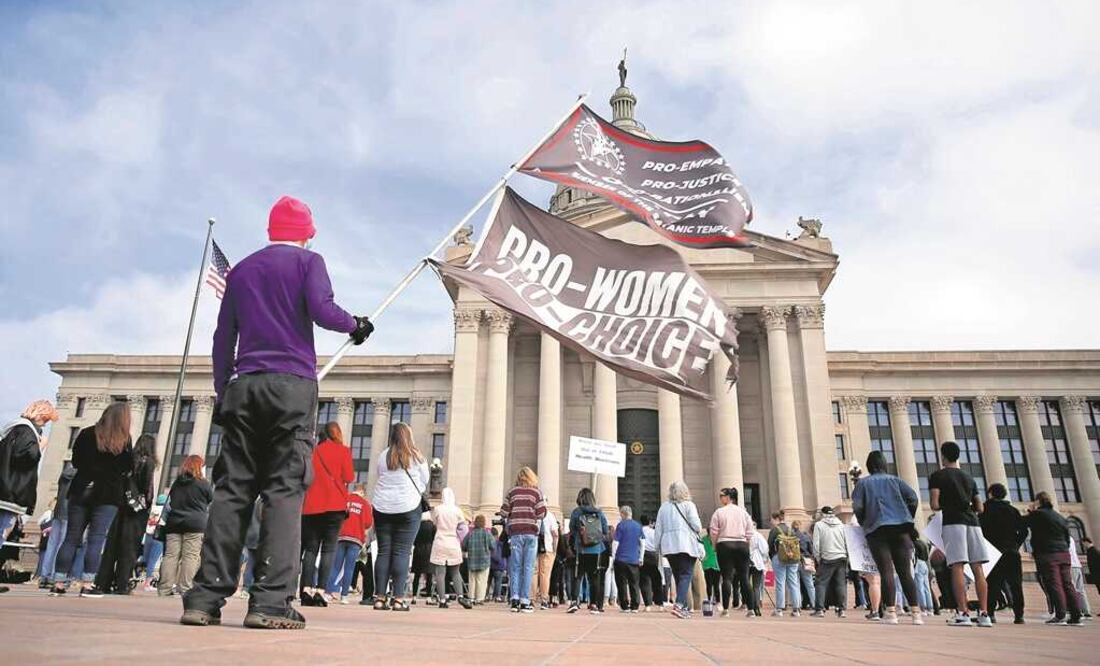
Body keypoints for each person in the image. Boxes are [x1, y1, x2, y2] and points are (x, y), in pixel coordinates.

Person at [181, 195, 373, 630]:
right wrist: (356, 325)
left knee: (232, 493)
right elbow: (323, 310)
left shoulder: (244, 269)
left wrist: (222, 389)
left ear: (271, 231)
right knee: (285, 491)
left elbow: (222, 335)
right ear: (305, 232)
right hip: (291, 386)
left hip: (244, 386)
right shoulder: (309, 262)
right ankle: (269, 602)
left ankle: (205, 598)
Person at [51, 402, 133, 597]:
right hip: (108, 495)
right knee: (96, 539)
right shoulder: (124, 440)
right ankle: (87, 584)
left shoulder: (87, 433)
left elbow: (76, 461)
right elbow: (127, 468)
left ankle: (58, 583)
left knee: (71, 537)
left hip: (82, 490)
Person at [851, 450, 920, 625]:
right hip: (901, 529)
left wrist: (864, 521)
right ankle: (916, 613)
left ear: (869, 466)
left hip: (877, 529)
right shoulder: (896, 480)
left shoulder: (863, 484)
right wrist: (907, 516)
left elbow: (858, 507)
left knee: (886, 571)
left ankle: (891, 612)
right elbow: (913, 498)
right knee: (905, 572)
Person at [929, 441, 991, 628]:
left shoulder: (938, 476)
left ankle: (963, 612)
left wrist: (949, 503)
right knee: (978, 568)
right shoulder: (969, 478)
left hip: (953, 522)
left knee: (957, 566)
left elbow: (934, 504)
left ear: (943, 456)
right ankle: (984, 613)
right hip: (973, 523)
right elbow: (980, 507)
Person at [370, 422, 429, 611]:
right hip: (408, 507)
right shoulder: (417, 455)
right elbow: (425, 479)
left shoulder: (383, 455)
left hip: (382, 507)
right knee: (402, 552)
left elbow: (379, 474)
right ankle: (398, 599)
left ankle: (379, 597)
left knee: (384, 551)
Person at [90, 433, 157, 595]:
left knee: (111, 546)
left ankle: (103, 582)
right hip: (135, 510)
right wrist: (146, 503)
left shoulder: (127, 461)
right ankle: (122, 583)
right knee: (129, 547)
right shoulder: (147, 462)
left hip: (119, 506)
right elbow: (146, 487)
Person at [299, 421, 354, 607]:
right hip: (335, 506)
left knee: (311, 549)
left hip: (312, 506)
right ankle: (321, 591)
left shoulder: (312, 451)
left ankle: (306, 589)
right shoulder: (343, 451)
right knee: (329, 549)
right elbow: (348, 477)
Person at [0, 400, 59, 541]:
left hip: (5, 487)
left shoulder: (13, 429)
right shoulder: (27, 431)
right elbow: (26, 457)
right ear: (39, 415)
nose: (45, 424)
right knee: (2, 531)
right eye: (46, 419)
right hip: (11, 492)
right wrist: (40, 446)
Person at [159, 455, 213, 597]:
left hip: (174, 523)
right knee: (191, 556)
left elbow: (170, 501)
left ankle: (164, 589)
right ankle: (185, 589)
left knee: (170, 556)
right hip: (195, 524)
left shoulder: (177, 483)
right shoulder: (204, 484)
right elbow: (210, 499)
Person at [1026, 491, 1082, 626]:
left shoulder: (1038, 514)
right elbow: (1067, 537)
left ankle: (1060, 615)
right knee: (1068, 584)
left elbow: (1023, 522)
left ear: (1038, 502)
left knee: (1054, 583)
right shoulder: (1060, 517)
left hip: (1048, 553)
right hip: (1064, 553)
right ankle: (1076, 616)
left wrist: (1030, 511)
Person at [499, 466, 547, 613]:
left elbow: (503, 511)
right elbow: (541, 513)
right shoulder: (536, 492)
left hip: (515, 533)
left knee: (515, 567)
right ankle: (525, 601)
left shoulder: (512, 492)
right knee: (528, 568)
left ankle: (514, 600)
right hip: (531, 533)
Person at [654, 481, 704, 619]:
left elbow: (658, 528)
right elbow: (697, 526)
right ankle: (680, 605)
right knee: (686, 575)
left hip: (669, 547)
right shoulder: (689, 505)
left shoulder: (664, 507)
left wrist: (656, 546)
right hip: (685, 545)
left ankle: (685, 608)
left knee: (678, 576)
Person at [979, 483, 1028, 624]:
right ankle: (1019, 615)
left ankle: (991, 613)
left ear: (990, 494)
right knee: (1016, 584)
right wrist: (1016, 544)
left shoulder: (985, 511)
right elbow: (1024, 531)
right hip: (1011, 551)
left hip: (993, 551)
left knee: (993, 583)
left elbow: (979, 531)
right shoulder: (1013, 510)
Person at [708, 487, 756, 618]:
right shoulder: (743, 512)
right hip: (742, 544)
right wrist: (747, 544)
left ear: (728, 497)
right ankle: (751, 609)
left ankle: (725, 609)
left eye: (721, 495)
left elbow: (713, 531)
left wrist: (714, 545)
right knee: (744, 577)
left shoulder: (719, 512)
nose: (720, 498)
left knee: (727, 577)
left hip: (724, 544)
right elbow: (750, 531)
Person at [567, 487, 609, 614]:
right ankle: (594, 604)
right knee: (594, 577)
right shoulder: (599, 512)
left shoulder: (576, 512)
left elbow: (572, 530)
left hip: (581, 549)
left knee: (577, 576)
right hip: (596, 550)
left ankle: (574, 601)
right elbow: (605, 531)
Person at [328, 484, 372, 604]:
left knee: (336, 566)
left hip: (341, 536)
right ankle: (344, 596)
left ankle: (328, 592)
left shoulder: (345, 499)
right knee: (349, 568)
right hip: (356, 538)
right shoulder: (365, 504)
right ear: (363, 492)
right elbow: (368, 523)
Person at [430, 487, 471, 609]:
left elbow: (434, 522)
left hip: (440, 541)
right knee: (455, 572)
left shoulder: (438, 509)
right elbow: (463, 528)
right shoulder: (458, 511)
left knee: (440, 572)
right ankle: (460, 596)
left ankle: (442, 599)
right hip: (453, 541)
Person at [811, 506, 848, 618]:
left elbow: (816, 544)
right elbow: (846, 541)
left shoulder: (819, 525)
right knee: (840, 584)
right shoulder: (841, 525)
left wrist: (818, 557)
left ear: (822, 514)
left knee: (821, 583)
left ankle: (820, 609)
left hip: (827, 557)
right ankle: (841, 609)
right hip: (841, 556)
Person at [767, 510, 802, 617]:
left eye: (772, 519)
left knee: (780, 582)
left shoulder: (774, 530)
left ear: (776, 519)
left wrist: (772, 556)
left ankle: (779, 609)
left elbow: (769, 545)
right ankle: (796, 608)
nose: (771, 522)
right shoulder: (791, 529)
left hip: (779, 557)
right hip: (793, 558)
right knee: (793, 582)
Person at [612, 505, 644, 613]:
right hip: (634, 559)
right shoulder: (638, 526)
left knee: (621, 583)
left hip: (621, 559)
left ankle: (625, 605)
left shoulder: (621, 525)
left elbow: (615, 543)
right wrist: (641, 557)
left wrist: (613, 556)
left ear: (622, 514)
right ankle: (635, 606)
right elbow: (643, 543)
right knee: (634, 583)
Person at [533, 508, 560, 610]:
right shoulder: (550, 516)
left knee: (534, 573)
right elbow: (555, 534)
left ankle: (532, 599)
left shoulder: (534, 514)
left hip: (534, 547)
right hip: (548, 548)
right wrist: (555, 549)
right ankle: (544, 600)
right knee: (545, 574)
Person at [463, 515, 494, 604]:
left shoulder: (470, 533)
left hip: (472, 560)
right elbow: (493, 546)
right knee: (482, 580)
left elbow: (464, 546)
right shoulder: (487, 533)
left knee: (472, 579)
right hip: (484, 560)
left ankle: (471, 597)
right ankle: (479, 598)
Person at [638, 514, 664, 611]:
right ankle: (660, 604)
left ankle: (647, 604)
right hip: (653, 555)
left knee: (644, 580)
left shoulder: (639, 531)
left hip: (643, 555)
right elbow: (658, 544)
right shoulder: (654, 532)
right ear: (650, 522)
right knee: (656, 580)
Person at [410, 515, 436, 602]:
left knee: (417, 575)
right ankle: (428, 597)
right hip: (429, 550)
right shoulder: (432, 526)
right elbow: (434, 539)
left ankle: (414, 596)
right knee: (429, 575)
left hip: (418, 549)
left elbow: (413, 539)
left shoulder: (416, 525)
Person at [793, 520, 816, 610]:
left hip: (795, 561)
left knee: (796, 584)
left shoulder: (791, 536)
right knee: (810, 584)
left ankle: (797, 605)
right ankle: (814, 603)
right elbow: (811, 550)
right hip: (806, 561)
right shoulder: (806, 537)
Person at [1069, 537, 1093, 618]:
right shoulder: (1071, 538)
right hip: (1077, 565)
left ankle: (1077, 611)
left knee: (1073, 589)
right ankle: (1086, 611)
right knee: (1081, 590)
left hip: (1071, 566)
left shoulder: (1064, 538)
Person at [912, 537, 935, 617]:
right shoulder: (923, 543)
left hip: (918, 564)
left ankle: (923, 608)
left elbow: (914, 556)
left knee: (920, 587)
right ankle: (930, 608)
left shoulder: (914, 544)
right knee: (927, 587)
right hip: (925, 564)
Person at [749, 529, 768, 617]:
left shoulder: (743, 534)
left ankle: (749, 607)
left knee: (747, 585)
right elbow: (764, 550)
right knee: (756, 587)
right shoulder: (758, 535)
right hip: (757, 562)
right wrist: (764, 559)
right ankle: (756, 608)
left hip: (746, 562)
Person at [489, 528, 507, 602]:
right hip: (501, 565)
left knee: (490, 582)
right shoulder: (501, 543)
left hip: (494, 565)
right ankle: (497, 596)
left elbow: (495, 555)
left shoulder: (494, 543)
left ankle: (490, 596)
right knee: (498, 582)